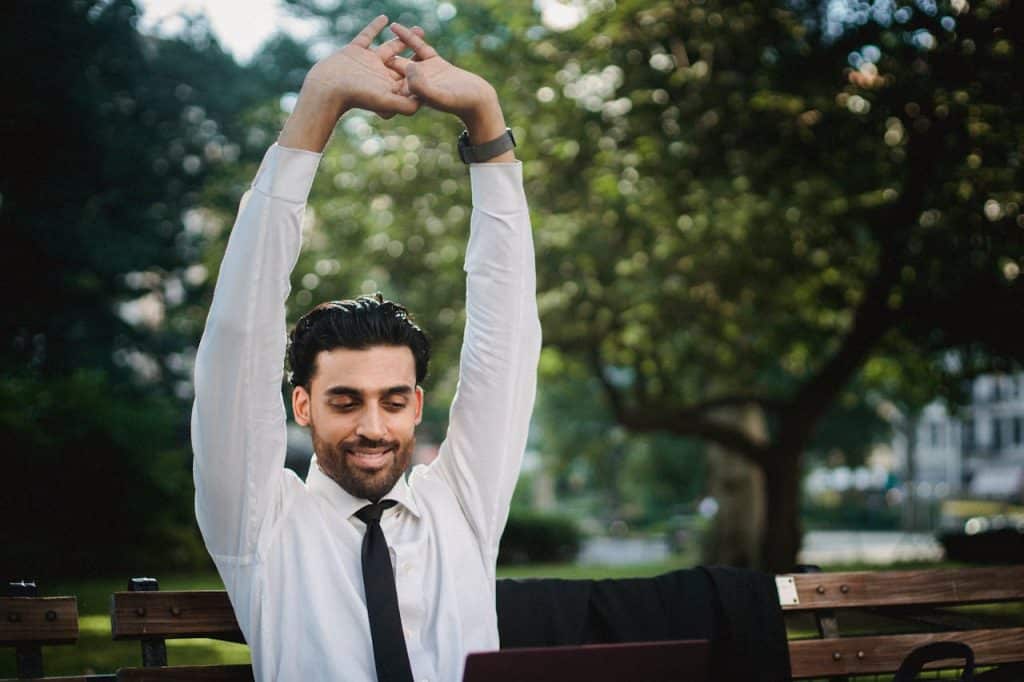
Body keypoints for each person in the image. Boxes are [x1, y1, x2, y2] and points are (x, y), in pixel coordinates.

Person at [191, 16, 541, 682]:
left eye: (392, 400)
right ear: (302, 404)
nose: (373, 428)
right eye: (345, 401)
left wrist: (487, 124)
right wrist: (317, 108)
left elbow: (509, 338)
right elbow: (240, 334)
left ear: (416, 406)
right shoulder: (260, 526)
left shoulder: (462, 506)